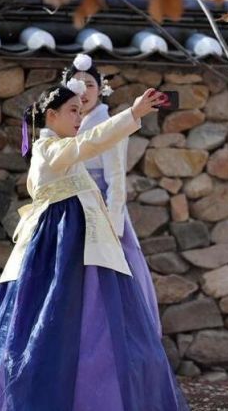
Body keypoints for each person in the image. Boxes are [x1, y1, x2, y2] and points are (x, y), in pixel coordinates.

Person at [0, 81, 191, 411]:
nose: (79, 118)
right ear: (51, 115)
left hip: (81, 247)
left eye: (82, 112)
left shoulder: (62, 150)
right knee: (56, 319)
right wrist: (132, 114)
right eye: (73, 111)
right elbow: (89, 143)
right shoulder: (48, 149)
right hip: (60, 249)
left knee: (94, 323)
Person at [62, 53, 161, 336]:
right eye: (77, 84)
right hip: (70, 210)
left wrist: (113, 226)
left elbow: (116, 179)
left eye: (90, 85)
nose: (83, 91)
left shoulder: (108, 122)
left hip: (100, 212)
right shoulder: (64, 125)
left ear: (101, 89)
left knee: (105, 282)